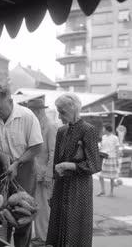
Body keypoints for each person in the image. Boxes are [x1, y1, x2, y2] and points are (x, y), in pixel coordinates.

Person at [0, 84, 43, 247]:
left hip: (24, 169)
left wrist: (17, 162)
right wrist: (0, 155)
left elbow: (36, 147)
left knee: (23, 216)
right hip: (0, 168)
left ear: (10, 100)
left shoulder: (27, 116)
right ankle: (1, 243)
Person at [46, 93, 101, 247]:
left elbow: (94, 164)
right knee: (58, 227)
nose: (59, 116)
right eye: (58, 111)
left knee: (74, 228)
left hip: (79, 189)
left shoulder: (88, 130)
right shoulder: (61, 131)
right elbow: (56, 162)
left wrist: (71, 166)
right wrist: (52, 188)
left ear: (74, 109)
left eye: (62, 112)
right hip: (61, 186)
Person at [27, 99, 57, 246]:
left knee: (44, 206)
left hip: (45, 173)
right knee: (37, 205)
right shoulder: (37, 124)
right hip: (35, 172)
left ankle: (44, 237)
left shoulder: (50, 126)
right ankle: (40, 235)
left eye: (32, 111)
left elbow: (53, 152)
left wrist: (49, 174)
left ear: (38, 111)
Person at [97, 124, 120, 197]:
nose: (103, 130)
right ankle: (103, 190)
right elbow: (101, 146)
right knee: (100, 175)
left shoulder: (115, 138)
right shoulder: (103, 137)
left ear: (107, 129)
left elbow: (117, 149)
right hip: (104, 157)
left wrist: (117, 159)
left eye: (104, 128)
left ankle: (111, 192)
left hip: (112, 158)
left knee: (112, 177)